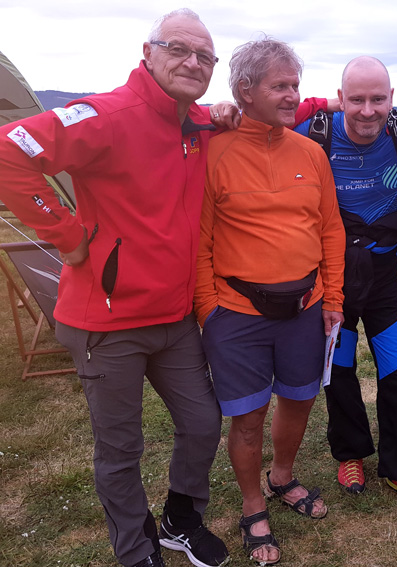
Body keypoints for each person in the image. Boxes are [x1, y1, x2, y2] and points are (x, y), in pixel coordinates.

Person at [0, 9, 229, 567]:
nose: (193, 62)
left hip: (174, 320)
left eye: (205, 56)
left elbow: (275, 102)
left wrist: (319, 103)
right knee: (121, 448)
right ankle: (135, 549)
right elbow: (9, 148)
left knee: (202, 423)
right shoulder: (106, 115)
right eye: (178, 49)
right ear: (148, 52)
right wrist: (67, 235)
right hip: (107, 323)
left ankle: (180, 521)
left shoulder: (198, 124)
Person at [193, 37, 345, 565]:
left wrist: (333, 298)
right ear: (244, 91)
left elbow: (330, 229)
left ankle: (282, 477)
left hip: (306, 308)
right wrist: (209, 310)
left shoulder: (311, 153)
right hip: (236, 315)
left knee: (300, 399)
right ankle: (252, 504)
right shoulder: (214, 152)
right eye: (280, 86)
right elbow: (200, 242)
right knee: (248, 417)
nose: (292, 96)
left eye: (295, 85)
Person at [293, 56, 397, 513]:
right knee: (339, 371)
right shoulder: (314, 130)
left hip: (388, 278)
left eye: (377, 99)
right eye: (356, 99)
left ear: (391, 98)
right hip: (334, 279)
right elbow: (257, 120)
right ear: (340, 98)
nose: (367, 110)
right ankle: (350, 454)